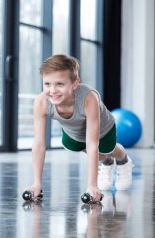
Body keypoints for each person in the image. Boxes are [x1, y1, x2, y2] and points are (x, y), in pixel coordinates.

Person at [25, 54, 132, 202]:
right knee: (97, 154)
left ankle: (123, 160)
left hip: (102, 130)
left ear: (75, 83)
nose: (52, 90)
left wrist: (92, 186)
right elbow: (38, 144)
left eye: (60, 84)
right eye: (47, 84)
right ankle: (106, 163)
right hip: (74, 133)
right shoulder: (41, 102)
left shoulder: (88, 99)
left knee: (108, 149)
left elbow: (93, 143)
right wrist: (36, 183)